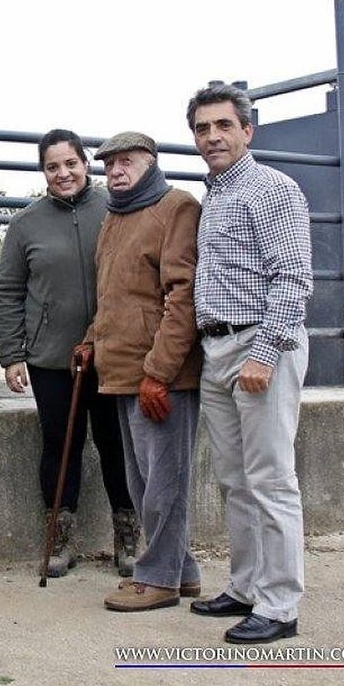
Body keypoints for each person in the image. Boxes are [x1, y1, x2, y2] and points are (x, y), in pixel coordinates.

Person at [186, 83, 313, 645]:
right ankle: (244, 587)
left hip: (262, 347)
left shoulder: (272, 190)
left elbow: (292, 278)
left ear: (247, 130)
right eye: (202, 128)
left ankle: (280, 605)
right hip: (217, 349)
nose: (212, 136)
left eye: (222, 125)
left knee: (271, 480)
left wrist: (263, 352)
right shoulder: (214, 193)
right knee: (233, 479)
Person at [0, 128, 139, 579]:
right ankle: (60, 536)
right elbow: (8, 292)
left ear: (85, 163)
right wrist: (12, 353)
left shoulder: (115, 210)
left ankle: (128, 535)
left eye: (70, 163)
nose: (63, 173)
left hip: (112, 355)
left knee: (118, 447)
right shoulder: (25, 225)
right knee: (61, 446)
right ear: (43, 172)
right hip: (52, 360)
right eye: (53, 166)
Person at [71, 131, 204, 612]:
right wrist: (90, 341)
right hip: (121, 370)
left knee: (164, 482)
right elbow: (112, 298)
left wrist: (160, 372)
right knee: (144, 483)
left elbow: (182, 295)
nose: (117, 171)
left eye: (127, 162)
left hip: (159, 375)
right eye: (109, 165)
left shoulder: (177, 207)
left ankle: (158, 579)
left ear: (151, 163)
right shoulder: (114, 216)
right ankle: (181, 571)